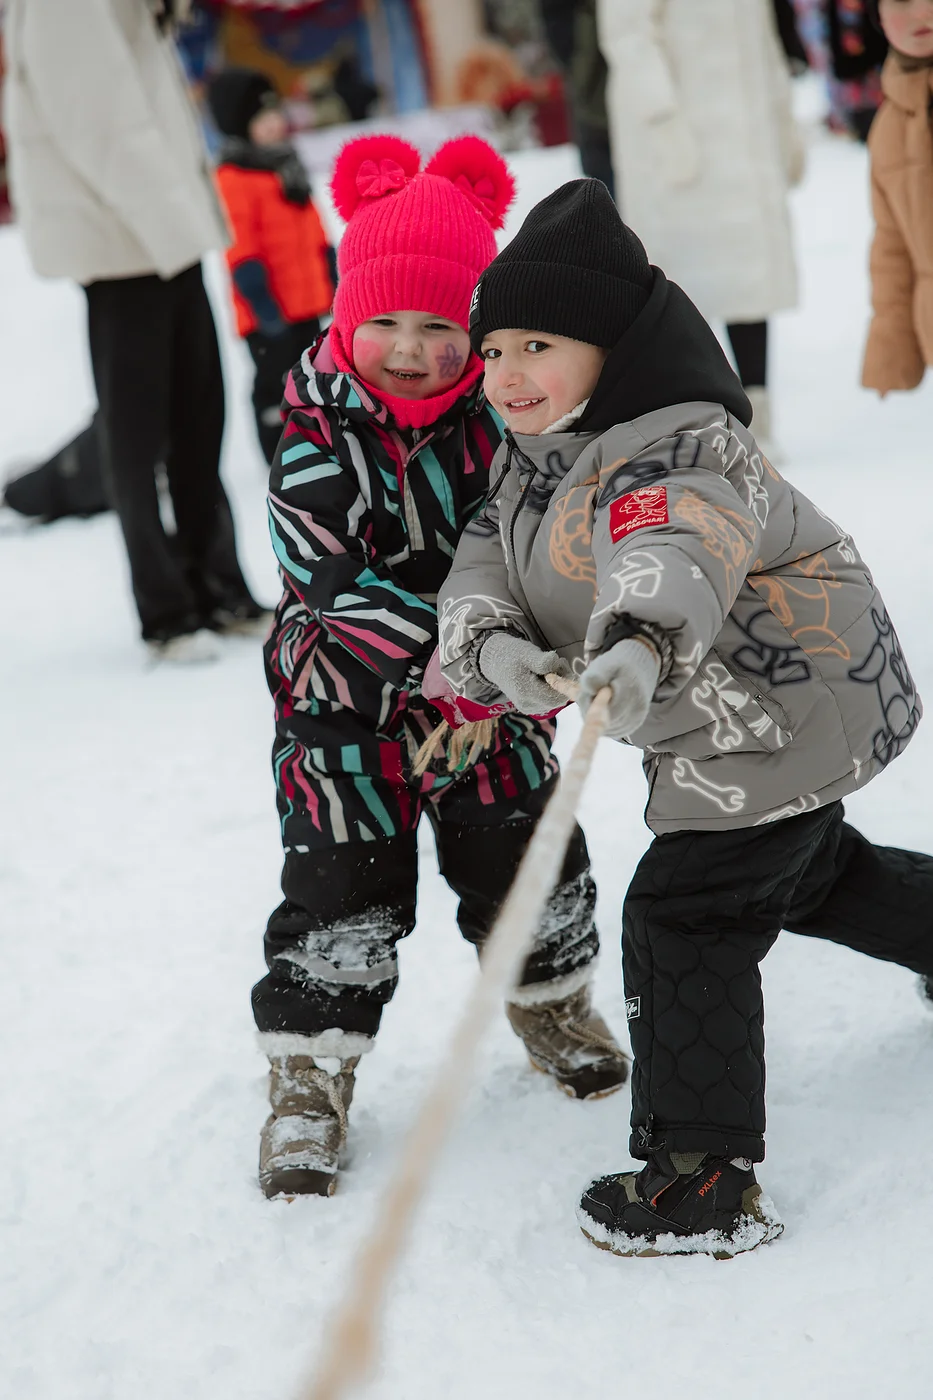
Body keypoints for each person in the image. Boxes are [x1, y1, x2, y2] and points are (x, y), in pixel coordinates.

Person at [436, 178, 933, 1257]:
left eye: (539, 344)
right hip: (742, 721)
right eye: (496, 348)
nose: (510, 374)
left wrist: (637, 637)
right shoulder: (537, 454)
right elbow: (483, 555)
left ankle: (701, 1177)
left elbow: (675, 548)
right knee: (806, 875)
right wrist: (492, 646)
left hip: (780, 707)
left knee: (685, 914)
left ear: (611, 348)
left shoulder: (680, 444)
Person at [252, 135, 629, 1200]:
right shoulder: (314, 423)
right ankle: (309, 1075)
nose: (410, 349)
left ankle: (551, 1000)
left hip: (494, 701)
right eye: (385, 323)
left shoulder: (506, 423)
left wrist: (509, 658)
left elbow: (533, 550)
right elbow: (325, 577)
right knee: (341, 888)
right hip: (345, 707)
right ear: (343, 318)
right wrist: (452, 659)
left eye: (438, 325)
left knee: (527, 858)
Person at [2, 0, 263, 662]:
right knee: (138, 436)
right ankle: (167, 610)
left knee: (199, 417)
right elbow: (96, 125)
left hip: (163, 234)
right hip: (124, 240)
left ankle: (219, 588)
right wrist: (176, 220)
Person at [595, 0, 803, 454]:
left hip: (745, 135)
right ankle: (701, 419)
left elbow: (762, 38)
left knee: (750, 279)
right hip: (680, 139)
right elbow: (628, 34)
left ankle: (756, 414)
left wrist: (783, 117)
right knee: (683, 285)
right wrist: (661, 116)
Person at [207, 68, 335, 465]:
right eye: (261, 119)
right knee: (275, 382)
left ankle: (318, 442)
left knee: (313, 376)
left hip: (306, 300)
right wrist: (260, 301)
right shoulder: (234, 177)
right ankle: (277, 449)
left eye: (275, 114)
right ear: (240, 126)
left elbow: (312, 224)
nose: (273, 124)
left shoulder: (286, 166)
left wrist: (330, 267)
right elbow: (239, 245)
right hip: (269, 311)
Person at [861, 0, 933, 394]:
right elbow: (892, 247)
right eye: (902, 1)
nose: (922, 13)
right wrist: (892, 350)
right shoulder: (888, 127)